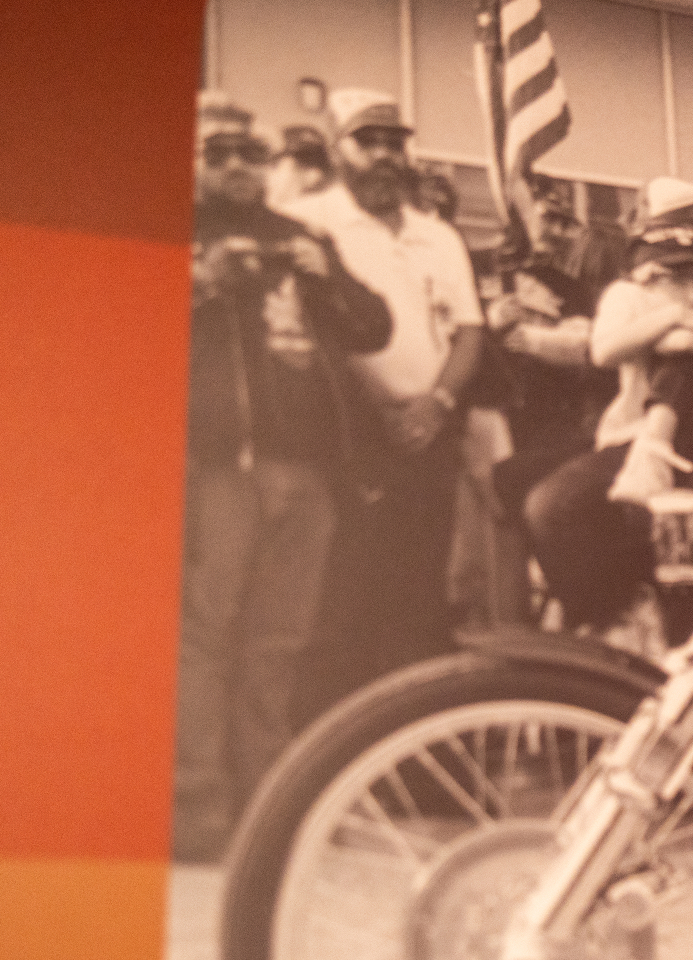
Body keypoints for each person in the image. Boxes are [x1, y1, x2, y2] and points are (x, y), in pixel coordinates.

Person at [176, 92, 391, 861]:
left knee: (279, 641)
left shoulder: (300, 233)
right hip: (219, 468)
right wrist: (202, 279)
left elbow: (375, 326)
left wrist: (326, 273)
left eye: (249, 154)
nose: (237, 165)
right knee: (205, 638)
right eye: (219, 153)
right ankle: (198, 816)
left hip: (309, 473)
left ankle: (266, 809)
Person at [282, 88, 486, 719]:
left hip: (433, 431)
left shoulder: (438, 234)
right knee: (343, 595)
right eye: (366, 142)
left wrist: (438, 403)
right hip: (352, 436)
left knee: (421, 595)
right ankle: (329, 750)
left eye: (393, 142)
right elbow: (318, 332)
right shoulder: (308, 221)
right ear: (339, 148)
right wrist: (388, 408)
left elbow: (471, 329)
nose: (382, 155)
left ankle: (408, 755)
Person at [524, 177, 693, 652]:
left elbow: (689, 344)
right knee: (551, 505)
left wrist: (670, 324)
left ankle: (654, 459)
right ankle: (607, 620)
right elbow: (603, 350)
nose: (688, 289)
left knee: (682, 563)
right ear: (648, 270)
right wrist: (671, 316)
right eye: (672, 274)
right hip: (630, 440)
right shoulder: (626, 297)